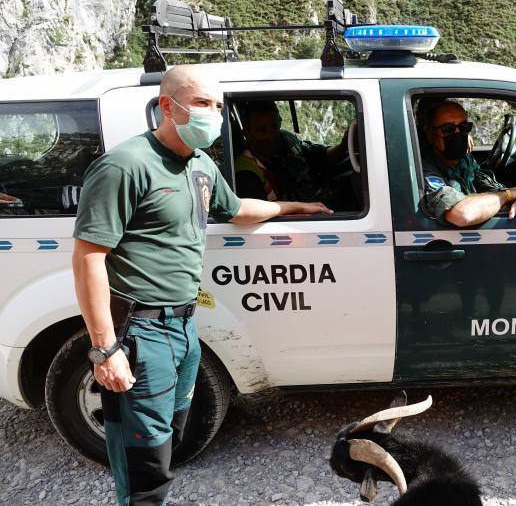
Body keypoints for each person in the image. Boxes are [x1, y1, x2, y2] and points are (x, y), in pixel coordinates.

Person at [72, 65, 330, 506]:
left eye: (217, 105)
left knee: (171, 436)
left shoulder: (200, 164)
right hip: (142, 331)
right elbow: (87, 257)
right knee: (145, 456)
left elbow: (236, 209)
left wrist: (295, 206)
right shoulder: (126, 165)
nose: (213, 113)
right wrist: (105, 350)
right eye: (202, 104)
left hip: (184, 327)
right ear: (168, 107)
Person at [420, 100, 516, 237]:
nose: (458, 134)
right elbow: (463, 215)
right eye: (448, 129)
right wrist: (508, 195)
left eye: (464, 127)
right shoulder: (426, 169)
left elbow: (489, 186)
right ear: (430, 134)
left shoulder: (464, 159)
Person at [234, 101, 350, 208]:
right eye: (261, 131)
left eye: (274, 127)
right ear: (247, 133)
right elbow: (260, 216)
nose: (270, 136)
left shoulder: (286, 140)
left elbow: (318, 156)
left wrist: (343, 146)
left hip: (315, 202)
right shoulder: (246, 174)